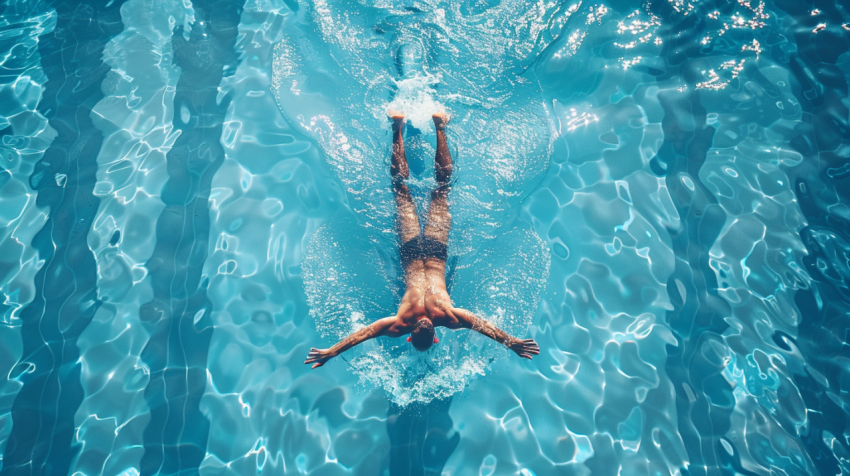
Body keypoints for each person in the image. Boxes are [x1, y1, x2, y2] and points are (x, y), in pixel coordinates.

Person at [305, 112, 540, 369]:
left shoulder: (424, 319)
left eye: (423, 332)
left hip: (423, 252)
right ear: (424, 337)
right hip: (424, 252)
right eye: (426, 332)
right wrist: (510, 342)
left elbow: (363, 334)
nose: (425, 326)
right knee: (421, 190)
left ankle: (418, 127)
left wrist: (332, 352)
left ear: (421, 336)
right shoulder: (426, 319)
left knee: (421, 190)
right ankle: (418, 127)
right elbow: (482, 326)